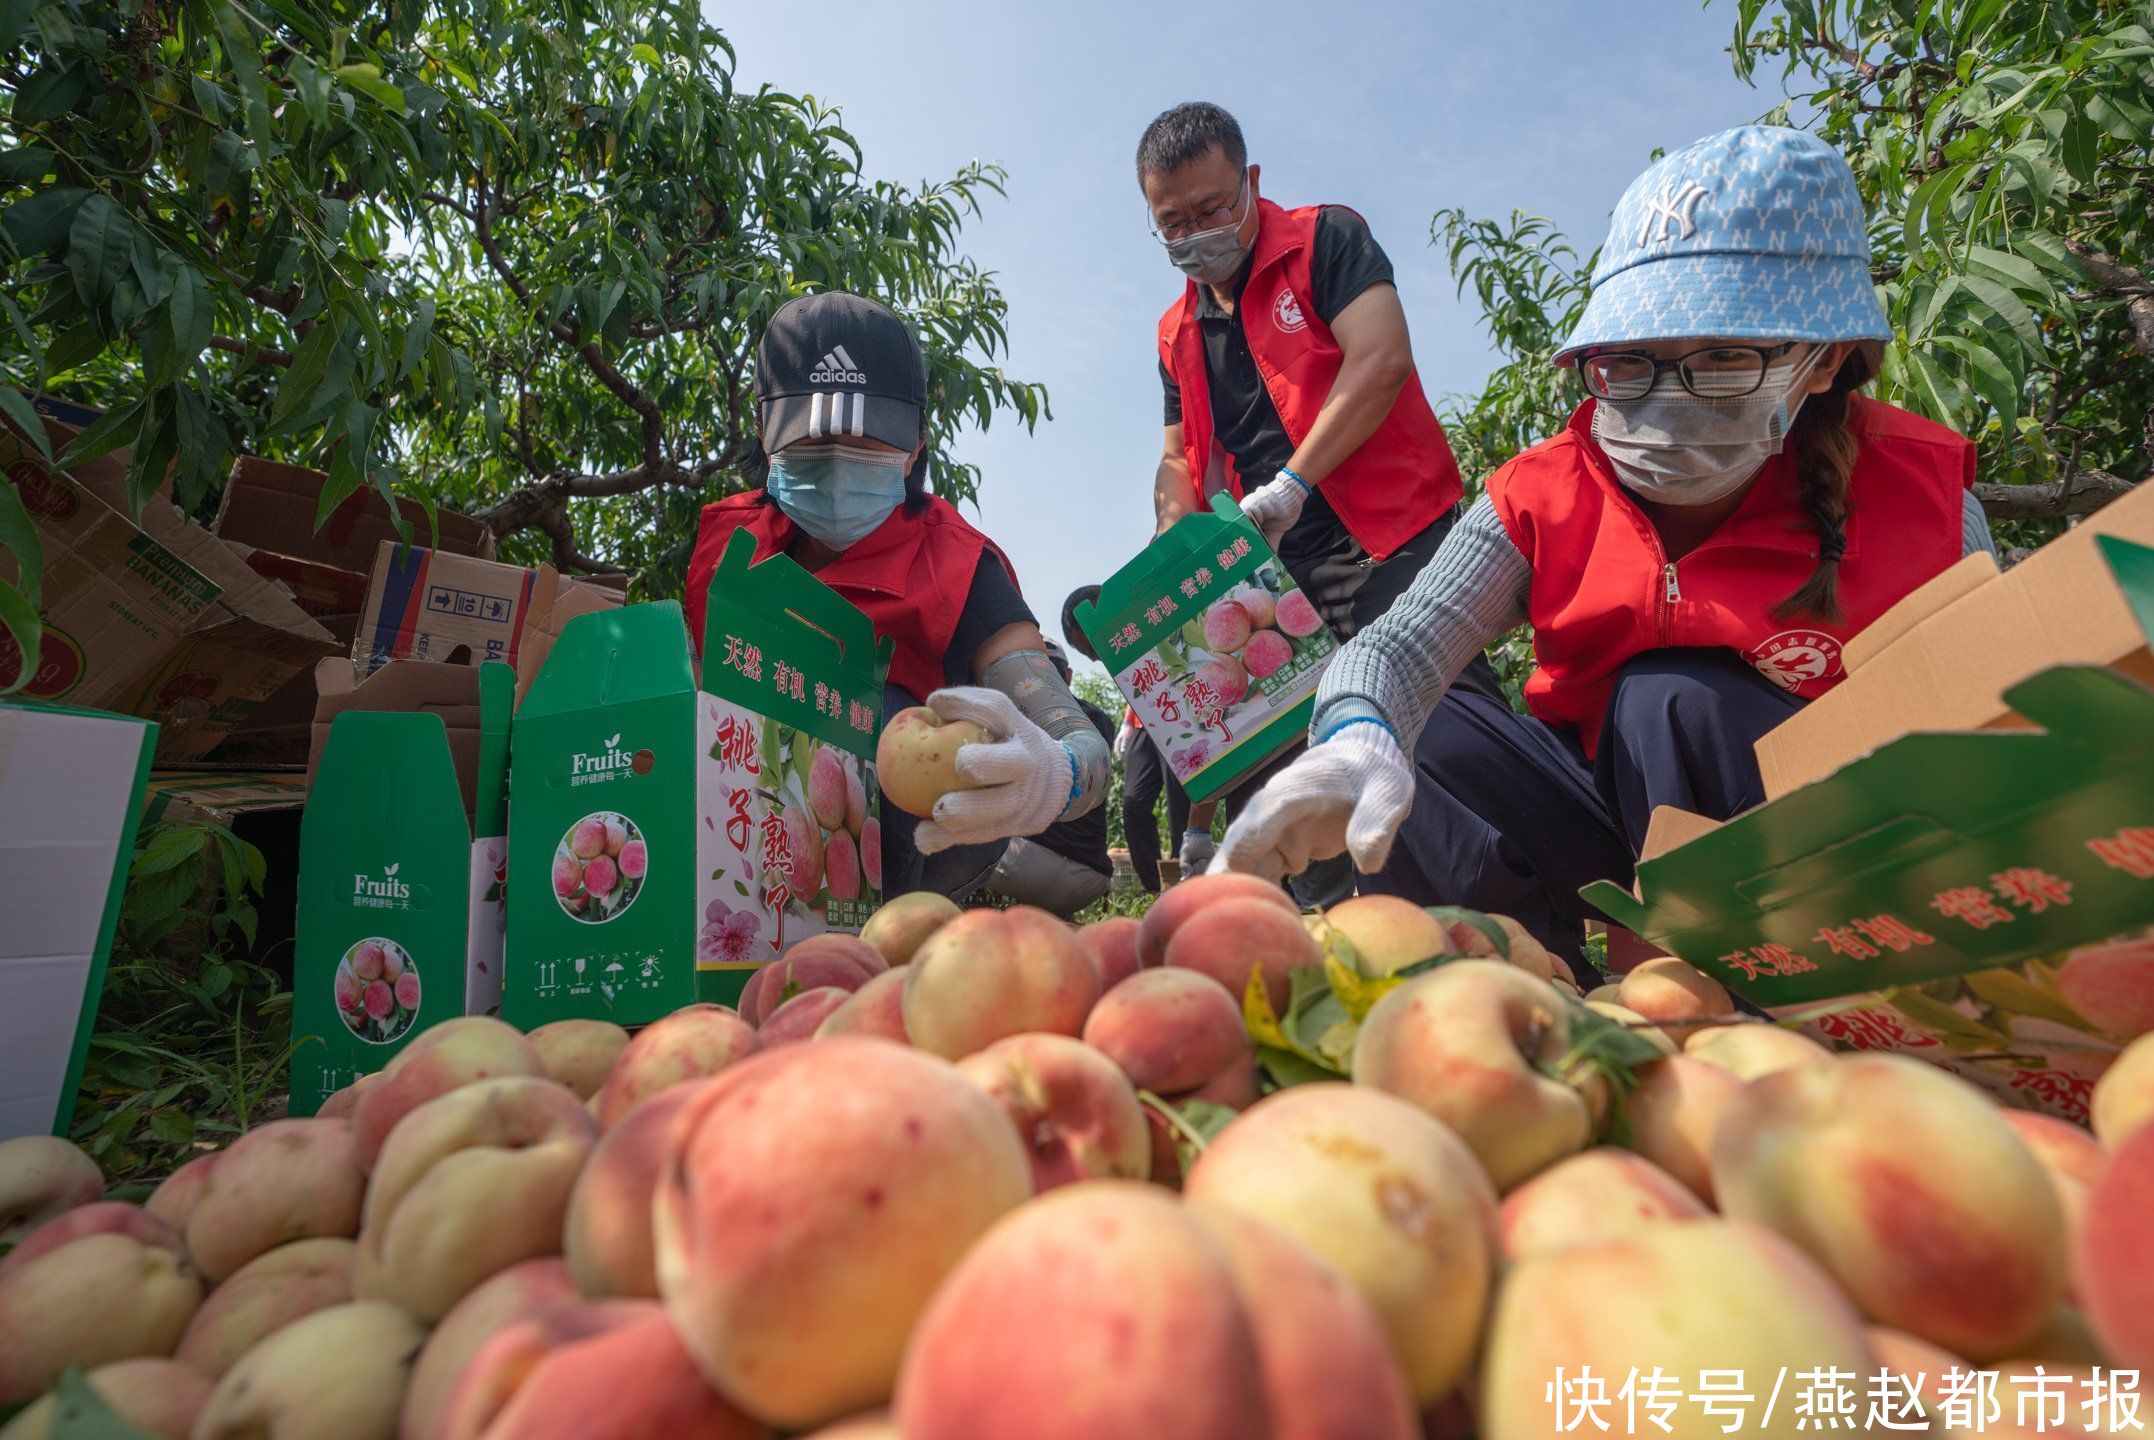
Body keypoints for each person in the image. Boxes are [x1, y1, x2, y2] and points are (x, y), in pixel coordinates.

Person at [1214, 126, 1994, 978]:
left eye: (1724, 357)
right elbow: (1400, 646)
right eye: (1631, 364)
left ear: (1825, 360)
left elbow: (2009, 722)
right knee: (1427, 730)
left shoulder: (1924, 502)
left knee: (1669, 700)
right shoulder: (1548, 491)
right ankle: (1526, 995)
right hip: (1606, 807)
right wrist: (1358, 730)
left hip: (1834, 846)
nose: (1666, 401)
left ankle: (1762, 989)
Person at [1137, 99, 1549, 908]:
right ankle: (1356, 932)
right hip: (1273, 577)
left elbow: (1382, 357)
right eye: (1172, 222)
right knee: (1308, 764)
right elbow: (1177, 456)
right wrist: (1174, 539)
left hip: (1389, 541)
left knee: (1448, 730)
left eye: (1214, 208)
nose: (1197, 234)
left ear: (1251, 183)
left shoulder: (1324, 241)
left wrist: (1294, 482)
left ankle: (1532, 927)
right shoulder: (1175, 331)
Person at [684, 291, 1109, 900]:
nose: (835, 464)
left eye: (866, 445)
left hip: (903, 869)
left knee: (880, 715)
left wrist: (1056, 772)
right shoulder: (734, 549)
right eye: (810, 442)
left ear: (916, 444)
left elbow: (1073, 735)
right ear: (763, 432)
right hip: (737, 855)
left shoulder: (957, 565)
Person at [966, 641, 1117, 916]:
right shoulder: (1098, 719)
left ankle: (973, 913)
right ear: (1067, 677)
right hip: (1090, 877)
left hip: (1020, 865)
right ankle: (1059, 923)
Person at [1061, 584, 1190, 893]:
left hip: (1182, 715)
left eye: (1092, 650)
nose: (1095, 660)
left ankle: (1185, 881)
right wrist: (1127, 723)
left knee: (1179, 802)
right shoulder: (1122, 647)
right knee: (1134, 802)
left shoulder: (1151, 615)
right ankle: (1155, 888)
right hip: (1144, 722)